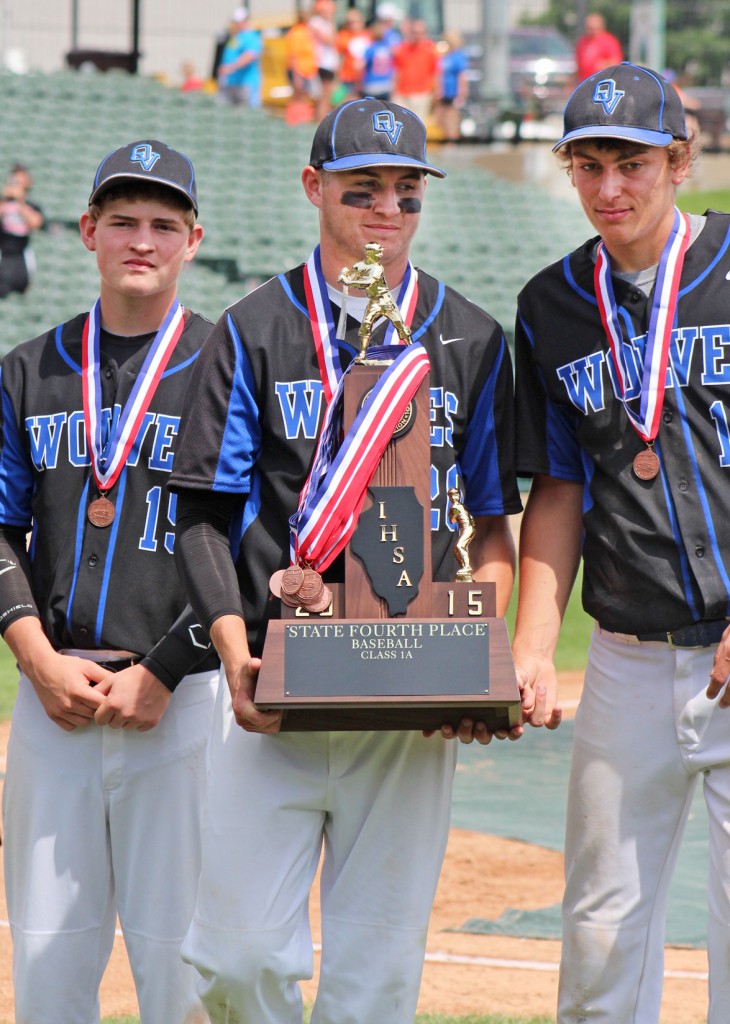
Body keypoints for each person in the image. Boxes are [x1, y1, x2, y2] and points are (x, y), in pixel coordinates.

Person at [168, 96, 523, 1022]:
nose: (387, 211)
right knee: (234, 960)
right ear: (314, 187)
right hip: (273, 690)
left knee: (376, 977)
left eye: (408, 193)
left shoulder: (471, 337)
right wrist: (237, 654)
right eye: (364, 189)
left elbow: (491, 529)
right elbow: (201, 518)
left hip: (411, 704)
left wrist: (480, 667)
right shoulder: (249, 330)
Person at [512, 62, 730, 1023]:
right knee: (601, 930)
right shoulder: (552, 304)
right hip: (626, 657)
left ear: (680, 159)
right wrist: (529, 643)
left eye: (633, 162)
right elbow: (559, 485)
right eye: (588, 165)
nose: (611, 188)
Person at [0, 140, 219, 1023]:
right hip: (52, 697)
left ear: (193, 240)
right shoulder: (28, 369)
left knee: (183, 970)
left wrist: (164, 669)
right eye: (122, 220)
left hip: (183, 697)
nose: (143, 239)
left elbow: (253, 547)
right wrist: (35, 658)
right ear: (87, 231)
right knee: (48, 968)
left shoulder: (225, 369)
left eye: (164, 224)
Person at [0, 163, 44, 297]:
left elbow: (36, 222)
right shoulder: (2, 202)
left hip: (21, 255)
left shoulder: (31, 206)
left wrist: (19, 201)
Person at [393, 19, 440, 122]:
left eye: (420, 33)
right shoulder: (402, 48)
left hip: (421, 94)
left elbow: (435, 73)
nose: (417, 36)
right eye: (415, 32)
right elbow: (397, 71)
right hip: (402, 94)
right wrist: (394, 90)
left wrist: (436, 92)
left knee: (417, 125)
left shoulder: (430, 50)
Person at [216, 6, 263, 107]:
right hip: (230, 84)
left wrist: (232, 67)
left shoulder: (251, 36)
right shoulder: (235, 36)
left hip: (245, 84)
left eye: (237, 22)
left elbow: (249, 56)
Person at [434, 30, 469, 142]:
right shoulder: (444, 56)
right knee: (440, 118)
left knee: (451, 119)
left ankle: (452, 141)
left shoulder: (457, 57)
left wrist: (461, 93)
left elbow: (461, 76)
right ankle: (445, 138)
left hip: (453, 92)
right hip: (443, 92)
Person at [308, 0, 339, 119]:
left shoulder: (324, 23)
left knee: (328, 95)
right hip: (322, 63)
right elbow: (329, 40)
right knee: (323, 96)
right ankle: (320, 120)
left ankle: (322, 118)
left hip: (328, 64)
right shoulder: (316, 22)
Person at [575, 12, 623, 83]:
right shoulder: (583, 41)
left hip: (601, 82)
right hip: (585, 81)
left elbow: (616, 63)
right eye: (589, 28)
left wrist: (602, 65)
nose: (592, 32)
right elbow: (579, 65)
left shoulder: (609, 41)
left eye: (594, 29)